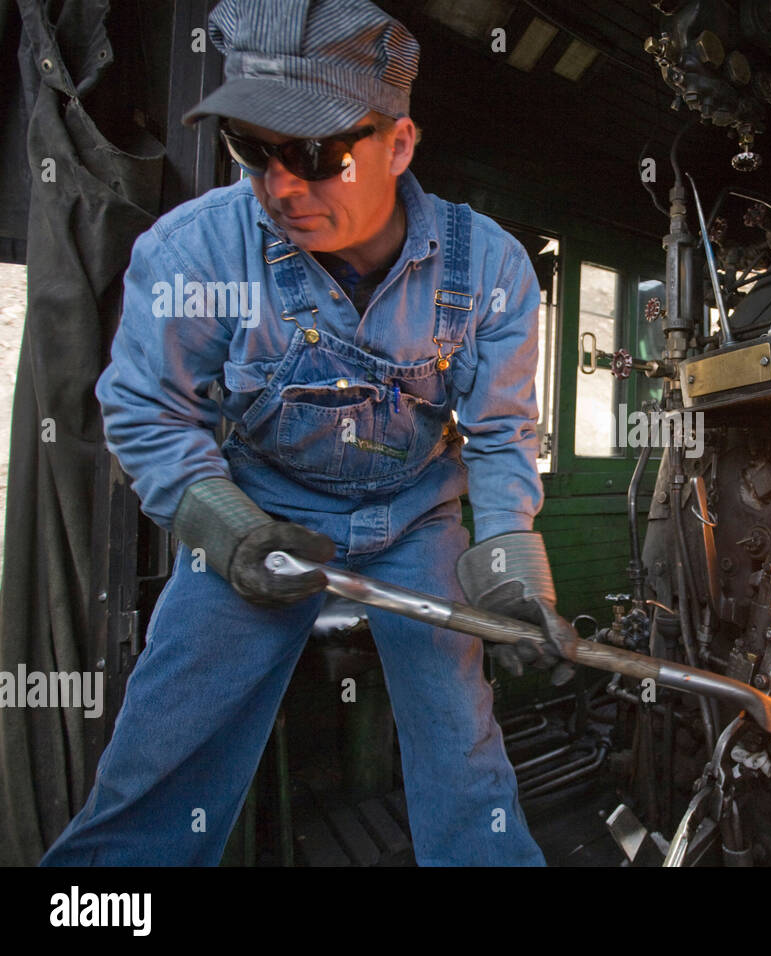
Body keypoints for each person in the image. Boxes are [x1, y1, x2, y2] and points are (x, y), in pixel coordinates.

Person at [40, 0, 574, 866]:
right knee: (163, 754)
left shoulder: (493, 270)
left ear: (398, 146)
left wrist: (512, 566)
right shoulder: (197, 254)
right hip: (258, 515)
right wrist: (230, 531)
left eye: (316, 154)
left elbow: (503, 432)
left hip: (416, 520)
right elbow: (146, 410)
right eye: (251, 149)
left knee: (463, 749)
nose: (281, 185)